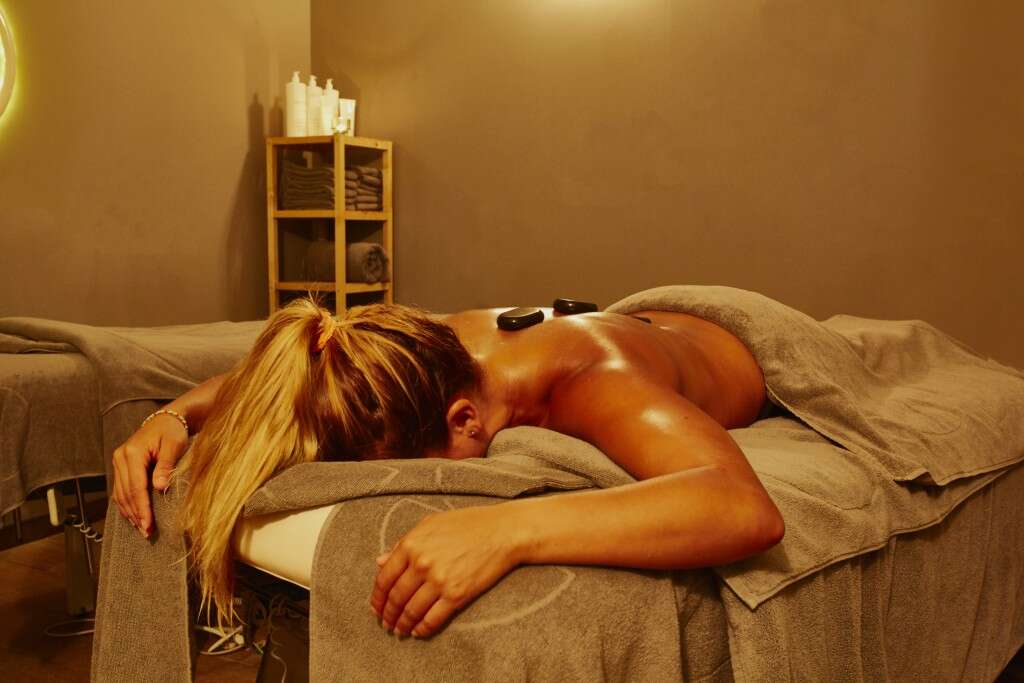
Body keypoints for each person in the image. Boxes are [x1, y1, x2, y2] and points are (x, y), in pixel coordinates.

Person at [111, 298, 785, 639]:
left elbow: (741, 506)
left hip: (727, 332)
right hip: (626, 312)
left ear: (464, 420)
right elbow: (285, 376)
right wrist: (172, 416)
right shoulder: (407, 354)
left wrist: (508, 530)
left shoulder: (594, 380)